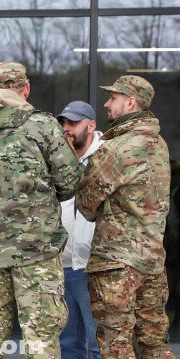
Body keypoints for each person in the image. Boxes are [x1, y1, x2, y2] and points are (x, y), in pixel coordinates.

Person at [0, 62, 82, 358]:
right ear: (26, 89)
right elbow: (69, 181)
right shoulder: (44, 125)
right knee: (40, 337)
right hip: (37, 250)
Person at [76, 75, 175, 358]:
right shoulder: (158, 144)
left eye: (113, 98)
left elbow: (85, 202)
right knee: (153, 342)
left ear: (131, 102)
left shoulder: (118, 149)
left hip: (116, 264)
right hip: (153, 262)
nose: (106, 104)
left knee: (116, 344)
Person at [56, 101, 103, 359]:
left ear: (91, 125)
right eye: (64, 123)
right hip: (62, 265)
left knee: (99, 343)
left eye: (73, 123)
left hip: (92, 267)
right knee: (68, 344)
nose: (67, 129)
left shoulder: (107, 157)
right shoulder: (59, 159)